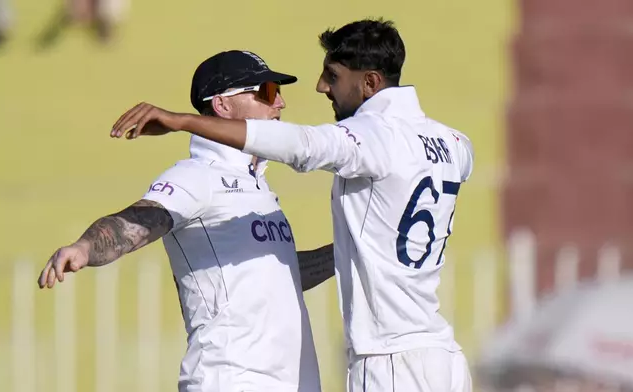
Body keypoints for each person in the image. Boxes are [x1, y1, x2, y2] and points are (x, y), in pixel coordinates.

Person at [111, 19, 474, 392]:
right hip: (444, 357)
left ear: (369, 83)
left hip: (391, 360)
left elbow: (300, 144)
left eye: (332, 76)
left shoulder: (372, 137)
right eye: (267, 91)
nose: (321, 87)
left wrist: (183, 121)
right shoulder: (455, 144)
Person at [38, 50, 323, 392]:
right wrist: (85, 247)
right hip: (232, 379)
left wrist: (346, 252)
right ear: (222, 105)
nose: (280, 104)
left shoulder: (258, 183)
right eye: (267, 91)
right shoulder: (197, 174)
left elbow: (279, 274)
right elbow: (139, 220)